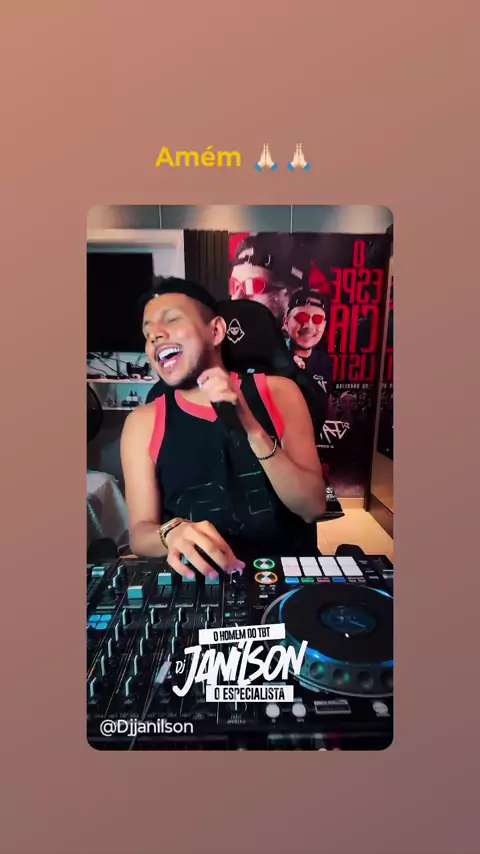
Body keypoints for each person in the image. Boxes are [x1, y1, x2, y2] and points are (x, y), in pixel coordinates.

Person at [120, 277, 326, 578]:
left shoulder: (280, 392)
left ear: (216, 331)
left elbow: (313, 507)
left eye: (171, 320)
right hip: (200, 579)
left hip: (283, 575)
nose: (155, 336)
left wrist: (251, 428)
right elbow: (140, 534)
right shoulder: (142, 422)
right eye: (147, 332)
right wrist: (171, 533)